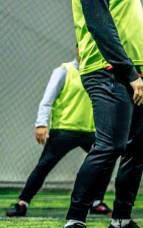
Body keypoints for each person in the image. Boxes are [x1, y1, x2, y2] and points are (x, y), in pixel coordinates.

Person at [54, 0, 143, 228]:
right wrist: (131, 74)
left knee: (139, 148)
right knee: (109, 146)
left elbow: (127, 26)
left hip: (127, 71)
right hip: (107, 69)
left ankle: (121, 222)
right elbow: (99, 25)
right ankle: (73, 224)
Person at [6, 50, 112, 218]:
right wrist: (41, 124)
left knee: (106, 162)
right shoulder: (64, 71)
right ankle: (22, 203)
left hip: (90, 131)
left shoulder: (98, 72)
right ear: (78, 48)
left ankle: (96, 202)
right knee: (43, 166)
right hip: (64, 131)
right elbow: (47, 100)